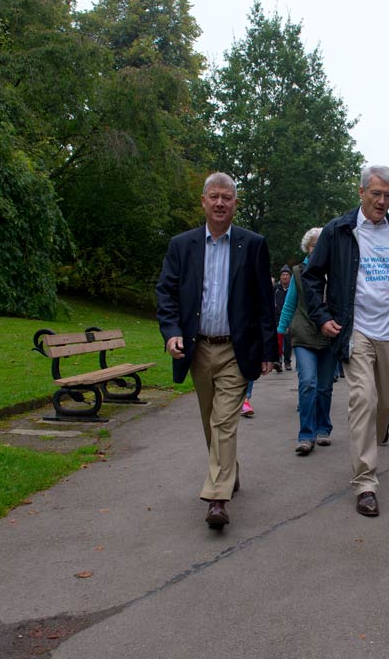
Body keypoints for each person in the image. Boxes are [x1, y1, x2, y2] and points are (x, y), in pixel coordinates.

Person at [156, 172, 277, 529]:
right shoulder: (182, 245)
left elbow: (262, 302)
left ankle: (217, 498)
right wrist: (172, 332)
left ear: (236, 203)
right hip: (199, 348)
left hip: (236, 350)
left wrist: (268, 349)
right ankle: (229, 471)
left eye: (227, 197)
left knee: (224, 420)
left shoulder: (253, 244)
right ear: (204, 202)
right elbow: (166, 292)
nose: (220, 202)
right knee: (211, 421)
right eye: (214, 196)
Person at [303, 165, 389, 517]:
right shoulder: (339, 230)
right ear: (361, 192)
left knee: (385, 405)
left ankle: (378, 434)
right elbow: (311, 277)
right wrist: (324, 318)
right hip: (356, 330)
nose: (382, 201)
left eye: (388, 195)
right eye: (376, 194)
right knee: (363, 400)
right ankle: (366, 483)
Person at [277, 227, 336, 455]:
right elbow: (290, 304)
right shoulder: (298, 272)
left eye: (322, 245)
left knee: (324, 387)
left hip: (330, 334)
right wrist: (280, 333)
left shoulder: (335, 271)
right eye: (314, 245)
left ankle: (323, 428)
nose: (318, 249)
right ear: (307, 248)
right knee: (308, 383)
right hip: (302, 335)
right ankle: (305, 434)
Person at [273, 266, 293, 372]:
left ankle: (287, 361)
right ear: (280, 277)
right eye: (283, 275)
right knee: (278, 340)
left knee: (288, 340)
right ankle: (278, 361)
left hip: (289, 319)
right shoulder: (275, 288)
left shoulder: (292, 288)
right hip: (277, 318)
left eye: (287, 275)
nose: (285, 277)